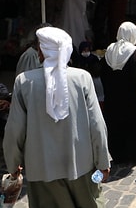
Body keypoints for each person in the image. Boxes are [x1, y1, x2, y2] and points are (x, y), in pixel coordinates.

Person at [3, 26, 110, 207]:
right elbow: (97, 124)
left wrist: (13, 165)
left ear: (41, 52)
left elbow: (14, 130)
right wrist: (103, 161)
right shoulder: (82, 78)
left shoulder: (24, 82)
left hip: (41, 170)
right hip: (81, 166)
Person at [101, 22, 136, 165]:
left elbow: (104, 75)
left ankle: (119, 155)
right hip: (130, 101)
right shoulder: (133, 51)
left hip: (113, 99)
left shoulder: (109, 50)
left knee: (116, 127)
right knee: (134, 126)